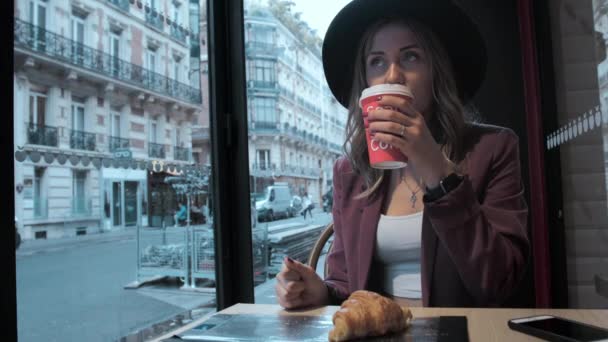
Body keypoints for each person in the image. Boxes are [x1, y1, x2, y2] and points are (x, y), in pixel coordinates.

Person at [276, 0, 530, 309]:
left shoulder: (493, 149)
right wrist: (321, 291)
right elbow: (346, 282)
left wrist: (437, 168)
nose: (392, 76)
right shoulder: (350, 171)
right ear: (365, 81)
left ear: (436, 71)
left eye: (410, 57)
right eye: (377, 62)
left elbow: (499, 282)